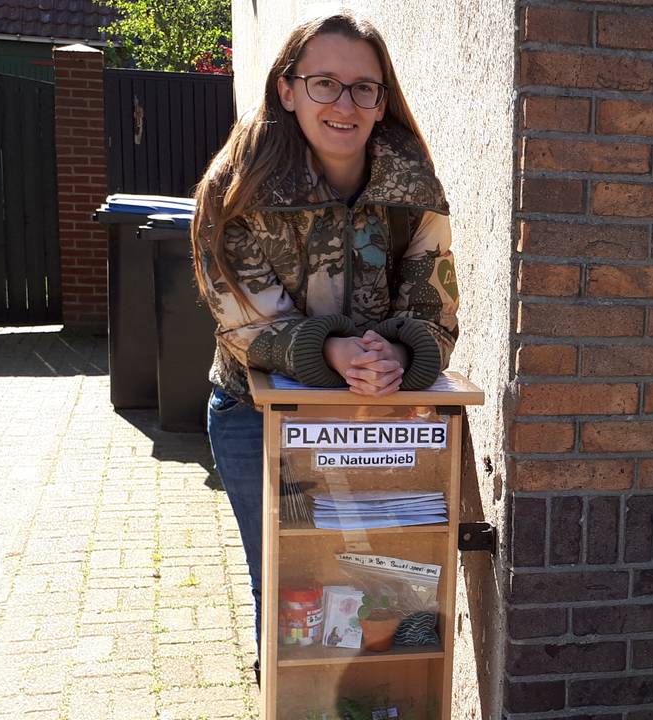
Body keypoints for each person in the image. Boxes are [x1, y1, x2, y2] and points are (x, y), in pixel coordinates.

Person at [189, 11, 459, 672]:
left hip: (377, 422)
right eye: (324, 84)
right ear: (287, 89)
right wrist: (334, 353)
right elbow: (245, 321)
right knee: (288, 594)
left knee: (375, 588)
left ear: (382, 99)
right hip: (257, 421)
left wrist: (402, 354)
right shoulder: (236, 186)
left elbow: (434, 299)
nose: (345, 104)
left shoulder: (412, 182)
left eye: (364, 88)